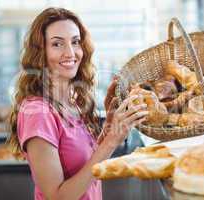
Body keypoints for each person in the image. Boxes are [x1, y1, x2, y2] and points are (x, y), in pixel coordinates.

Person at [8, 7, 148, 200]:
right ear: (40, 52)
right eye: (57, 44)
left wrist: (109, 129)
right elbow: (57, 196)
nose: (70, 52)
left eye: (75, 42)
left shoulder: (72, 102)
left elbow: (84, 164)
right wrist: (110, 142)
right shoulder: (37, 112)